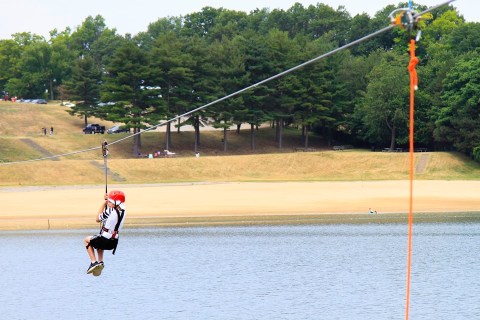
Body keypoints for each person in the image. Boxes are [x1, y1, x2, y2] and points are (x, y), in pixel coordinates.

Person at [84, 190, 126, 275]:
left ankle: (93, 262)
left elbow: (97, 219)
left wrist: (104, 203)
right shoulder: (123, 211)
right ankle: (101, 262)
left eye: (110, 201)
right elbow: (114, 209)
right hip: (113, 242)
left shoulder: (110, 211)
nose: (108, 202)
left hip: (105, 240)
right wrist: (110, 201)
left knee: (86, 240)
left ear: (115, 202)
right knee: (99, 240)